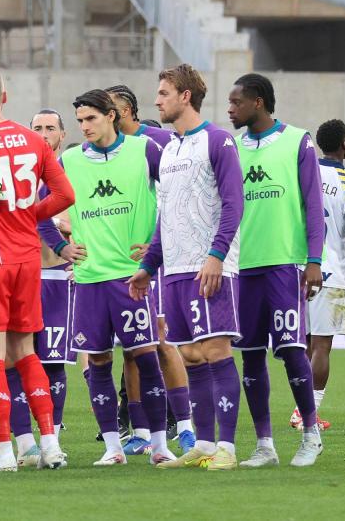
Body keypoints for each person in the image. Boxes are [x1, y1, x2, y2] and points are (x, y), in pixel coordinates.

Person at [0, 67, 76, 472]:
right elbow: (65, 195)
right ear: (5, 97)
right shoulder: (33, 140)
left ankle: (3, 452)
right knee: (26, 352)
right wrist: (27, 215)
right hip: (28, 261)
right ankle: (51, 445)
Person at [129, 63, 244, 471]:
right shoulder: (170, 150)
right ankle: (205, 443)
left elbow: (234, 204)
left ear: (185, 96)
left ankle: (227, 449)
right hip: (174, 270)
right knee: (192, 356)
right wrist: (149, 265)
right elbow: (166, 215)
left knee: (215, 351)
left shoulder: (218, 141)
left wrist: (216, 255)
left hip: (208, 266)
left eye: (163, 93)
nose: (156, 100)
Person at [61, 90, 176, 467]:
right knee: (96, 363)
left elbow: (176, 197)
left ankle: (159, 445)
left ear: (111, 116)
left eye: (90, 118)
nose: (84, 126)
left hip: (132, 278)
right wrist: (60, 246)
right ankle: (112, 447)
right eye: (79, 121)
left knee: (146, 358)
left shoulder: (145, 150)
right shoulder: (70, 160)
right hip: (90, 278)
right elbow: (37, 206)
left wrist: (157, 247)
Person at [225, 73, 325, 468]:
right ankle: (265, 444)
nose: (230, 109)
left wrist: (314, 260)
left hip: (283, 263)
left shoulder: (298, 140)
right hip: (241, 266)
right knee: (250, 355)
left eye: (236, 102)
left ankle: (311, 434)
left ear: (258, 103)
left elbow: (313, 205)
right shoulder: (230, 146)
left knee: (291, 349)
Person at [105, 84, 194, 454]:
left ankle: (186, 425)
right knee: (130, 349)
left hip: (155, 261)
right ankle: (140, 430)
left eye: (106, 110)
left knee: (161, 340)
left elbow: (178, 192)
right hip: (119, 264)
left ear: (122, 111)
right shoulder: (103, 154)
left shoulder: (155, 142)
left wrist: (160, 241)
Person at [12, 108, 77, 467]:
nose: (44, 133)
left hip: (56, 277)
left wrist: (63, 228)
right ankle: (22, 440)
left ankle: (53, 435)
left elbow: (74, 221)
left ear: (62, 135)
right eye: (37, 128)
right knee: (18, 358)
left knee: (53, 362)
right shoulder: (20, 171)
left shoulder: (71, 173)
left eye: (50, 128)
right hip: (20, 275)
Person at [298, 119, 345, 431]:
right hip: (329, 273)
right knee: (322, 347)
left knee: (302, 345)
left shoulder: (301, 173)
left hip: (295, 269)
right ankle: (307, 414)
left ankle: (300, 408)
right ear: (343, 144)